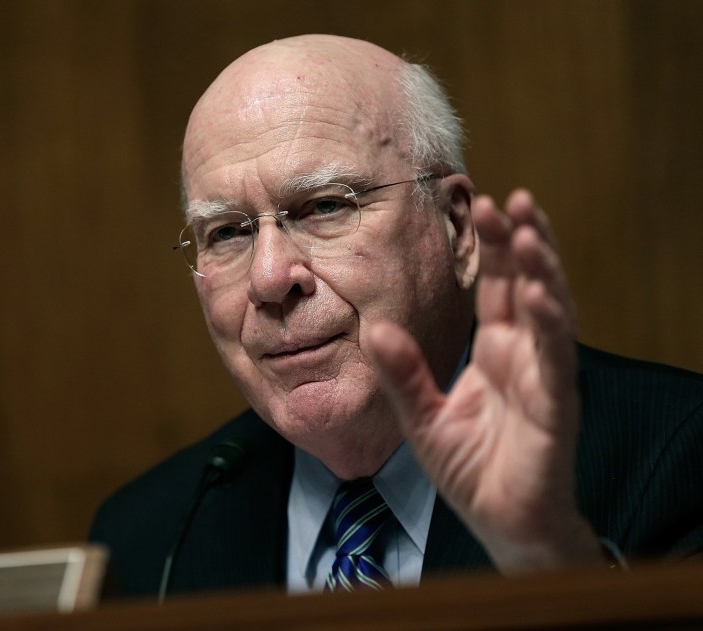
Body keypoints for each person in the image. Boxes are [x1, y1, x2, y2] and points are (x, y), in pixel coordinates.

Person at [89, 34, 703, 598]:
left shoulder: (676, 457)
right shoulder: (147, 537)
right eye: (226, 232)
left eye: (325, 206)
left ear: (457, 227)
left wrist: (555, 566)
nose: (271, 278)